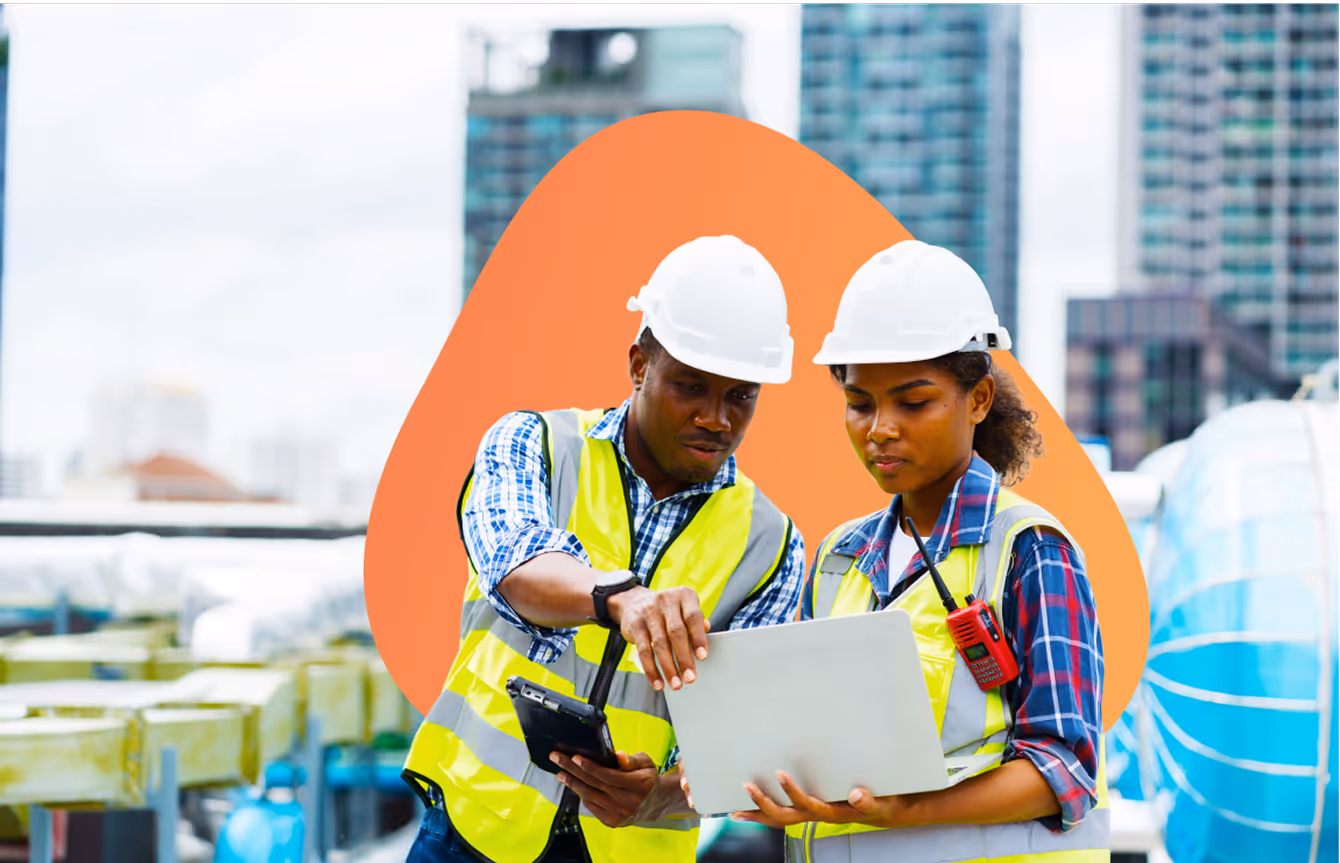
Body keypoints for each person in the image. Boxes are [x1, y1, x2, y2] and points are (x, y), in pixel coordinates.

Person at [402, 235, 807, 863]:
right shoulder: (534, 444)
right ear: (640, 364)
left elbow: (746, 742)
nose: (717, 418)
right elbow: (516, 565)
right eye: (692, 387)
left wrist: (660, 796)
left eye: (740, 396)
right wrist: (619, 599)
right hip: (473, 830)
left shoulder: (773, 544)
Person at [712, 240, 1109, 862]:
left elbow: (1065, 767)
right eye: (859, 403)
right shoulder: (842, 556)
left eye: (913, 401)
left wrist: (906, 811)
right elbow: (805, 746)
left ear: (977, 399)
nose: (880, 428)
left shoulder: (1030, 551)